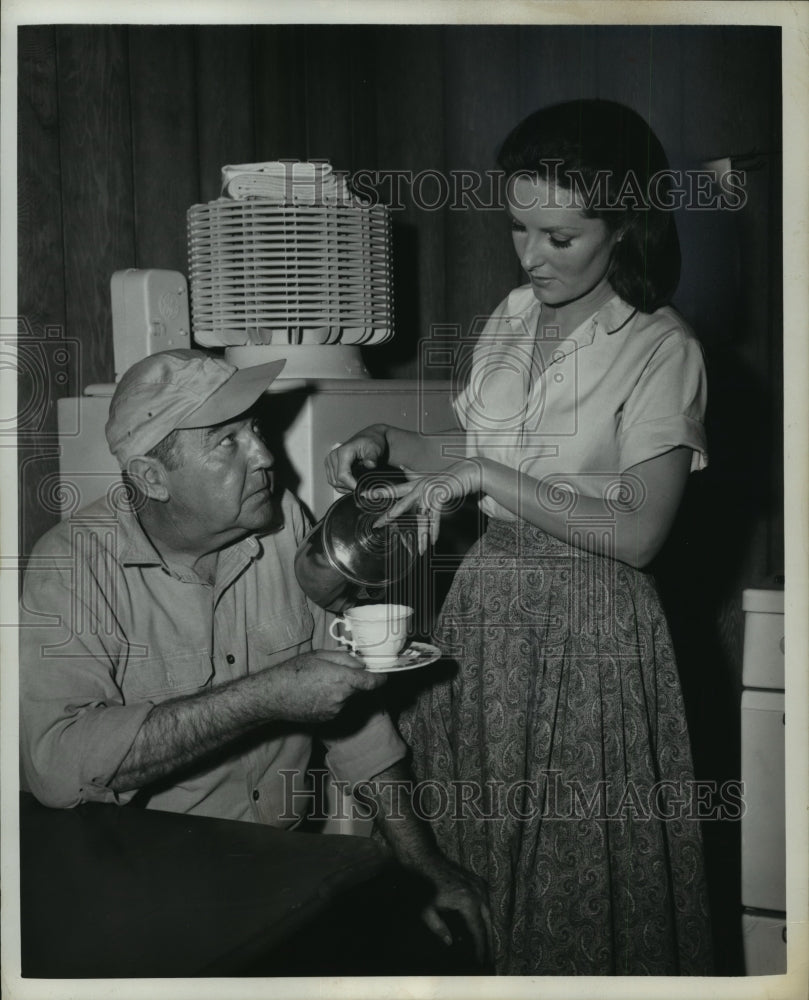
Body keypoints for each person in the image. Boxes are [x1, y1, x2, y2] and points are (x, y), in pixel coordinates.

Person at [326, 99, 714, 975]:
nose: (531, 256)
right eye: (517, 228)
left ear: (625, 227)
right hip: (487, 616)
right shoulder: (510, 317)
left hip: (591, 633)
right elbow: (477, 455)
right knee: (474, 866)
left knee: (571, 878)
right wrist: (391, 442)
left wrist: (483, 478)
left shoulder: (661, 349)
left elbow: (640, 531)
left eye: (559, 237)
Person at [19, 348, 491, 962]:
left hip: (285, 867)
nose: (265, 456)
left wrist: (422, 864)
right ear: (152, 478)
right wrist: (264, 697)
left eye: (256, 430)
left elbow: (356, 721)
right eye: (227, 442)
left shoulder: (285, 522)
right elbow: (56, 766)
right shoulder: (71, 565)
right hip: (142, 883)